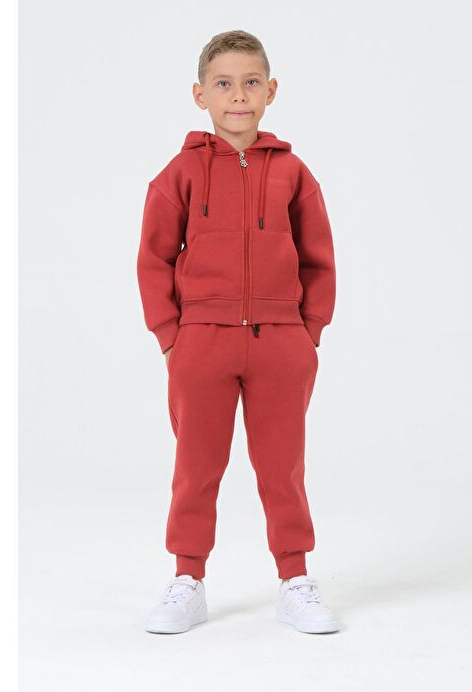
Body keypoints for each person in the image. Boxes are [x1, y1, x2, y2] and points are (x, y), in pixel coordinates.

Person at [137, 29, 341, 635]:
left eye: (251, 82)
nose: (238, 95)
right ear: (200, 94)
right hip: (202, 341)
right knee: (196, 468)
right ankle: (188, 579)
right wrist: (171, 335)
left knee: (283, 468)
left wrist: (308, 334)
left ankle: (294, 579)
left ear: (271, 91)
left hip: (280, 341)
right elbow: (152, 259)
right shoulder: (180, 173)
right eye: (224, 83)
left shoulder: (293, 173)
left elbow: (319, 257)